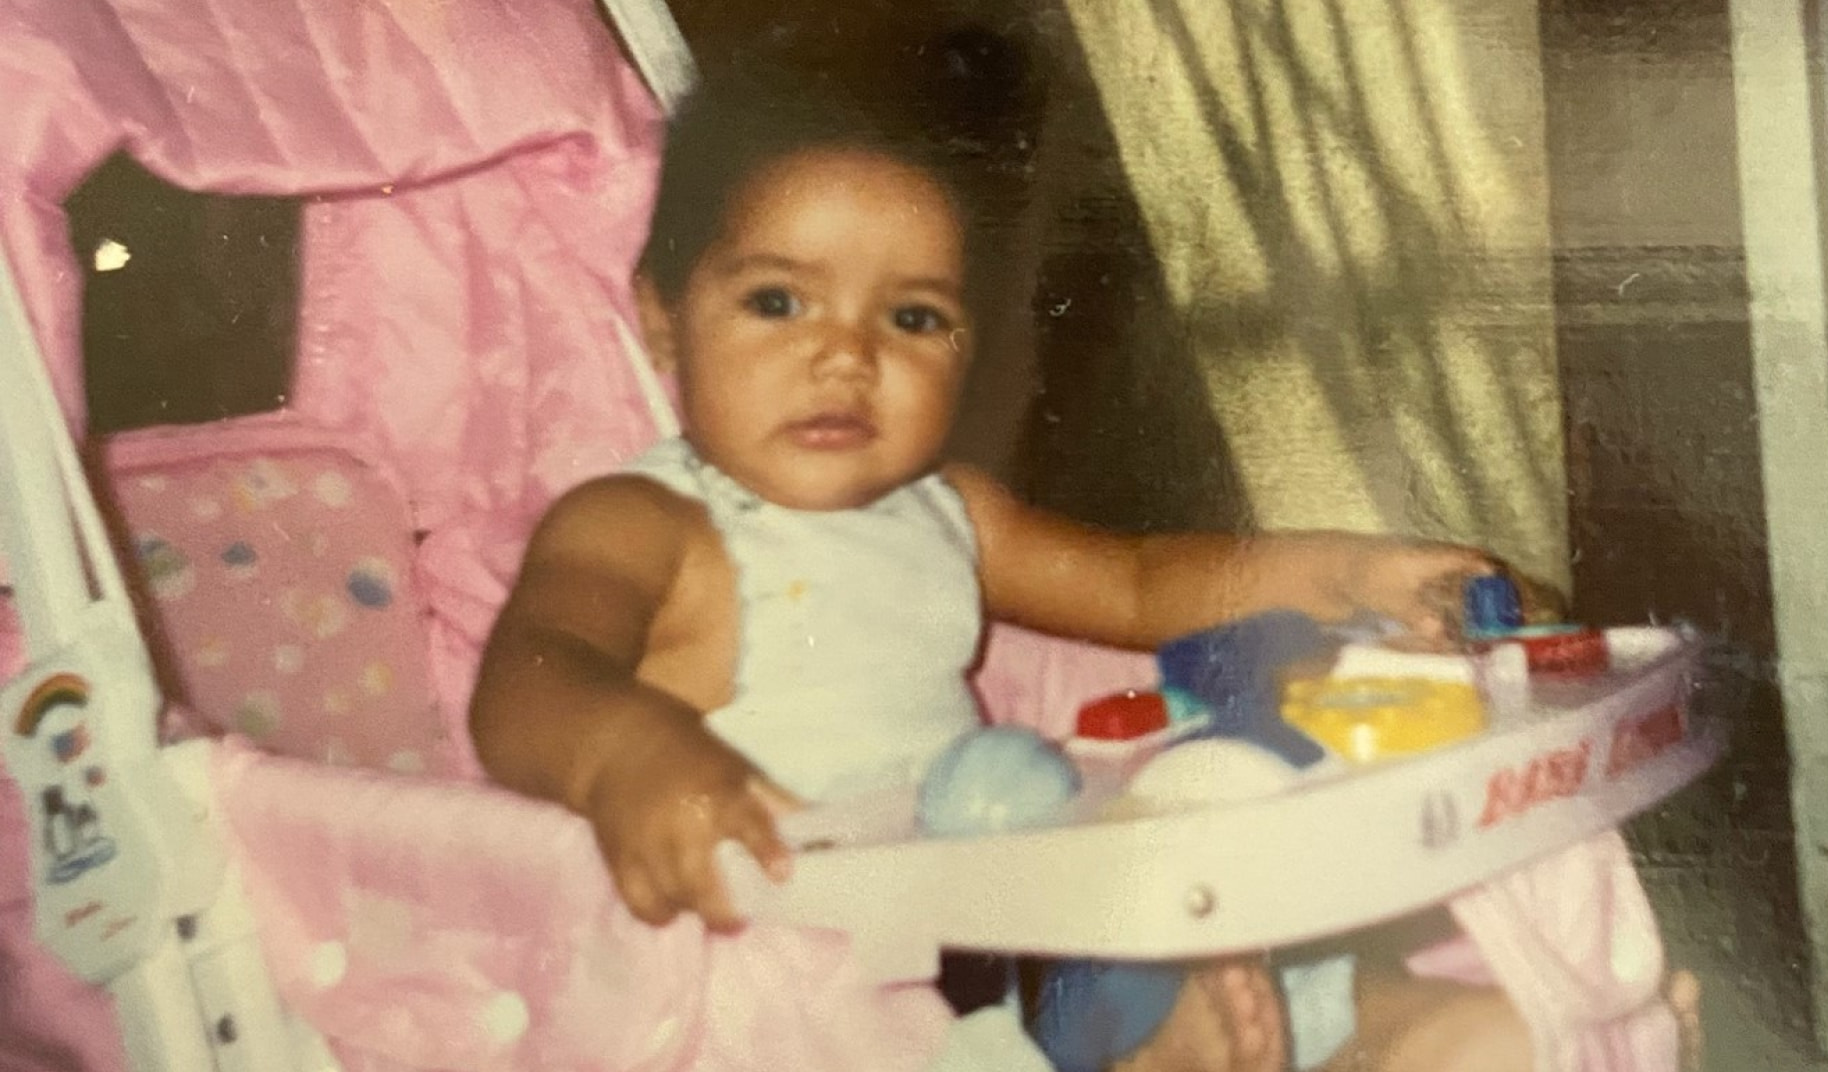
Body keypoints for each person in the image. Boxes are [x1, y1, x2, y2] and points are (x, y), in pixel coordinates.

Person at [468, 82, 1540, 1072]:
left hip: (991, 904)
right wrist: (627, 753)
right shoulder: (646, 520)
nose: (847, 355)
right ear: (659, 314)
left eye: (913, 318)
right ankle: (1149, 1042)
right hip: (824, 963)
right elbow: (532, 671)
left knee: (1288, 941)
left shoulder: (950, 511)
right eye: (779, 303)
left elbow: (1139, 582)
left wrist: (1350, 568)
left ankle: (1448, 1033)